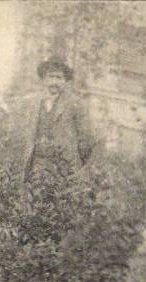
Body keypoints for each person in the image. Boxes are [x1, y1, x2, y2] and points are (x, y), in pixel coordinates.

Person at [22, 56, 94, 185]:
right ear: (44, 79)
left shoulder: (76, 104)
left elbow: (86, 141)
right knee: (37, 201)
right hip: (37, 167)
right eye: (51, 77)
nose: (54, 82)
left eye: (59, 78)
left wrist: (73, 164)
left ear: (65, 80)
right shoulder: (34, 103)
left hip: (63, 168)